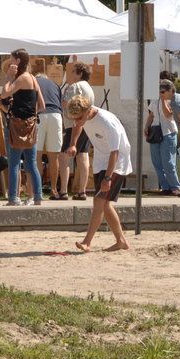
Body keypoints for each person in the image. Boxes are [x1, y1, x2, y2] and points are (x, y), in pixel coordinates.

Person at [64, 93, 132, 252]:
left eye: (79, 117)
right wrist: (73, 144)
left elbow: (115, 152)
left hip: (117, 162)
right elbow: (77, 127)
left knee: (99, 202)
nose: (77, 121)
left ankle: (87, 242)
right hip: (102, 160)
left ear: (88, 110)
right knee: (105, 204)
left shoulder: (107, 122)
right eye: (74, 118)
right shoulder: (82, 117)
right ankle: (121, 241)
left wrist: (108, 177)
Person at [0, 48, 44, 206]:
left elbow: (4, 94)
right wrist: (30, 114)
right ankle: (38, 196)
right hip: (31, 125)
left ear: (18, 61)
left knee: (14, 163)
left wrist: (8, 77)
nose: (10, 62)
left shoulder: (21, 78)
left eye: (11, 59)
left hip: (17, 126)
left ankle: (13, 197)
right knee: (31, 163)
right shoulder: (32, 78)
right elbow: (42, 105)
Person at [32, 59, 66, 200]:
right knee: (54, 156)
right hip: (56, 116)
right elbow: (60, 103)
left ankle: (37, 190)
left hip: (40, 115)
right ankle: (53, 190)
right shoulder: (54, 84)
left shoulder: (33, 82)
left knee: (37, 155)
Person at [62, 62, 96, 200]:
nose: (71, 75)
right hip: (86, 124)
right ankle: (82, 190)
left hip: (73, 124)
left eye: (73, 72)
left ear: (80, 73)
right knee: (83, 156)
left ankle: (63, 191)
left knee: (63, 157)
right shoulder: (89, 89)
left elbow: (66, 104)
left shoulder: (75, 87)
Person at [144, 84, 180, 196]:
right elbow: (151, 115)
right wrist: (146, 126)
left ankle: (175, 187)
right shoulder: (155, 100)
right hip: (155, 132)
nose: (161, 93)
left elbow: (168, 115)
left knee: (168, 162)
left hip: (168, 133)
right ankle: (165, 187)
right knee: (157, 162)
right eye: (160, 90)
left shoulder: (172, 100)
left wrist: (164, 100)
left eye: (163, 91)